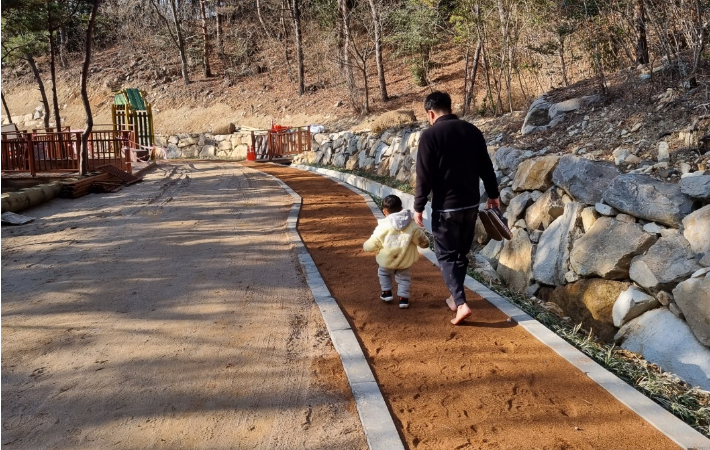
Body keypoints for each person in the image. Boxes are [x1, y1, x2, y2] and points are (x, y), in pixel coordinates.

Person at [413, 91, 500, 325]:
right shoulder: (472, 131)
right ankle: (454, 298)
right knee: (461, 254)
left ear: (431, 113)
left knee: (446, 255)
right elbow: (486, 168)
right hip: (471, 205)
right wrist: (493, 195)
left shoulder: (430, 135)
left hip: (446, 208)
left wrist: (418, 206)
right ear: (450, 108)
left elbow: (424, 176)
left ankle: (460, 303)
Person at [363, 194, 430, 309]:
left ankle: (387, 293)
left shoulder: (383, 226)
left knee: (383, 273)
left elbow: (373, 243)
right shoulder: (411, 224)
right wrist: (425, 244)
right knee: (404, 278)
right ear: (401, 208)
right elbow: (422, 240)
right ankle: (403, 299)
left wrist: (366, 246)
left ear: (385, 211)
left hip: (387, 259)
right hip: (405, 260)